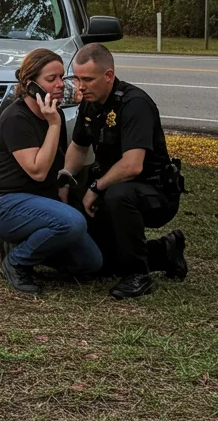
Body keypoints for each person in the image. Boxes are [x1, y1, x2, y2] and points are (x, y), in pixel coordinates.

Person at [64, 43, 187, 299]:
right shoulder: (90, 103)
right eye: (77, 78)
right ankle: (165, 252)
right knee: (100, 263)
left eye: (88, 79)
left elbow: (132, 165)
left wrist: (95, 188)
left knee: (118, 195)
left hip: (154, 192)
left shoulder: (134, 104)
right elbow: (78, 147)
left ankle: (137, 275)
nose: (80, 87)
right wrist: (64, 181)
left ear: (108, 75)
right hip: (112, 187)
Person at [0, 48, 103, 295]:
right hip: (2, 204)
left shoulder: (53, 114)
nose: (60, 84)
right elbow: (37, 171)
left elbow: (57, 163)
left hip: (39, 202)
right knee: (72, 222)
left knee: (91, 262)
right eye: (51, 79)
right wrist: (54, 124)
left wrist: (63, 186)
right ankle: (16, 263)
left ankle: (20, 245)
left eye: (62, 77)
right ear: (31, 85)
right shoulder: (16, 118)